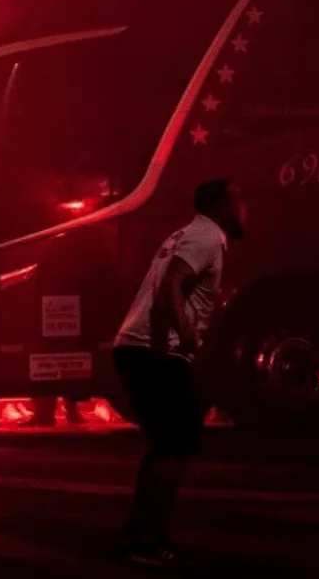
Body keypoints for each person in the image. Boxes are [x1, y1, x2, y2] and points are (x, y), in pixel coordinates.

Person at [113, 179, 246, 569]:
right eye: (240, 201)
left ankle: (145, 533)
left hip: (145, 351)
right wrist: (186, 339)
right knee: (174, 446)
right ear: (223, 206)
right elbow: (170, 287)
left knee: (169, 445)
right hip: (155, 352)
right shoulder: (207, 236)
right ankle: (144, 541)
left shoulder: (190, 233)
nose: (245, 209)